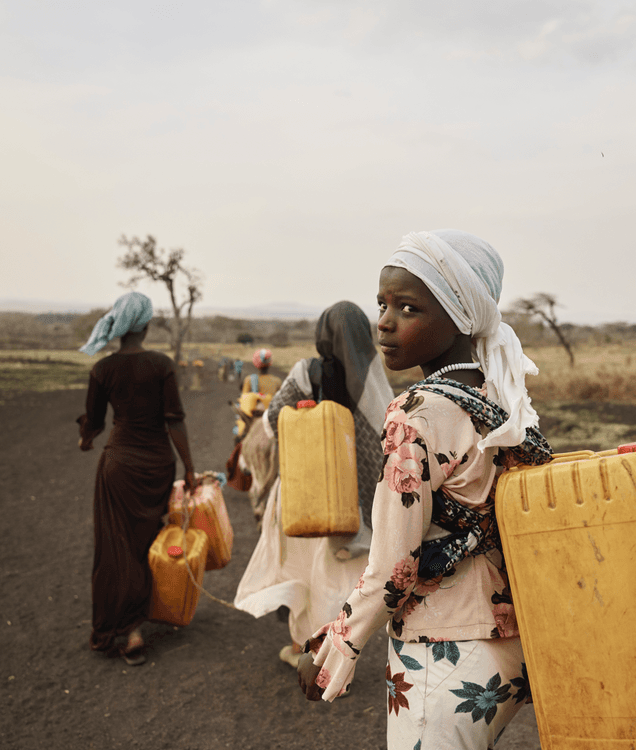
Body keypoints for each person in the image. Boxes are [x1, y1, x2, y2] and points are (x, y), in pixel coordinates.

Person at [297, 231, 553, 748]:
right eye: (382, 304)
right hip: (513, 644)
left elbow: (396, 563)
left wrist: (340, 643)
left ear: (460, 317)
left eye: (407, 307)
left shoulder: (417, 412)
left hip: (445, 650)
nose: (385, 322)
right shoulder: (498, 399)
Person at [234, 301, 393, 672]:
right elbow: (385, 443)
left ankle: (303, 651)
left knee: (303, 574)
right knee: (339, 581)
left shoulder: (307, 370)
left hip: (303, 494)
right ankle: (337, 661)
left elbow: (273, 422)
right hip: (352, 501)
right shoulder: (375, 379)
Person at [76, 291, 198, 666]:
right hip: (157, 466)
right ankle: (142, 619)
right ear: (145, 325)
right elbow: (173, 419)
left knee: (116, 548)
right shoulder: (161, 365)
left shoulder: (103, 370)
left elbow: (93, 424)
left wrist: (85, 438)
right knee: (148, 544)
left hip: (118, 468)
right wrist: (189, 468)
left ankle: (122, 630)